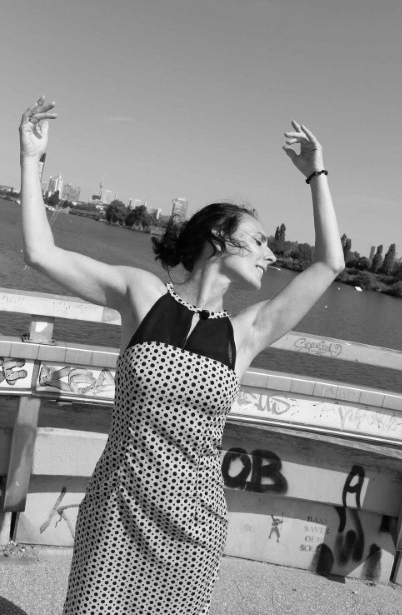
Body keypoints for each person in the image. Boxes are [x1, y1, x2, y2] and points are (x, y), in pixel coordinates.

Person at [19, 96, 344, 615]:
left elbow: (330, 264)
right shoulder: (142, 295)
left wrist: (316, 173)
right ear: (219, 237)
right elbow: (41, 253)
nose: (271, 254)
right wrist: (31, 159)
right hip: (116, 512)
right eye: (258, 241)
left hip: (194, 529)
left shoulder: (246, 332)